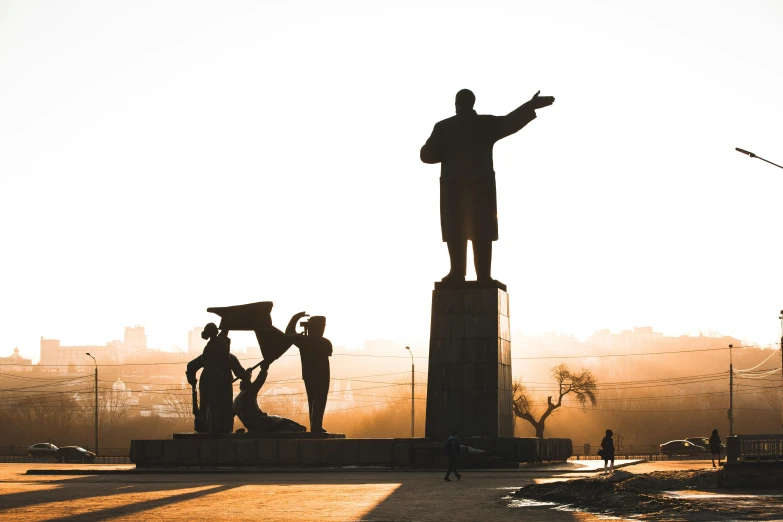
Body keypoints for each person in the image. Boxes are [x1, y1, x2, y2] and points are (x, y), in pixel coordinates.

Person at [420, 88, 555, 284]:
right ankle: (482, 275)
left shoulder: (444, 127)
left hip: (456, 189)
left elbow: (426, 155)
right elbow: (510, 122)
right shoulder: (483, 124)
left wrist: (445, 150)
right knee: (479, 230)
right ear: (472, 103)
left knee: (459, 231)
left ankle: (458, 273)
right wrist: (531, 105)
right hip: (478, 189)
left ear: (456, 104)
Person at [186, 323, 250, 433]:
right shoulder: (228, 358)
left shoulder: (207, 356)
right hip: (221, 384)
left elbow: (191, 366)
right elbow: (240, 372)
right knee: (220, 407)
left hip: (208, 382)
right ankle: (220, 428)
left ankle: (207, 426)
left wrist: (192, 379)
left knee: (210, 406)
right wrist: (247, 376)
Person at [286, 313, 333, 433]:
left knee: (312, 400)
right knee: (319, 401)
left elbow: (288, 334)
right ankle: (316, 426)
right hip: (322, 376)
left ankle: (315, 425)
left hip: (309, 375)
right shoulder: (325, 342)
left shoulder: (304, 341)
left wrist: (296, 318)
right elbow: (329, 351)